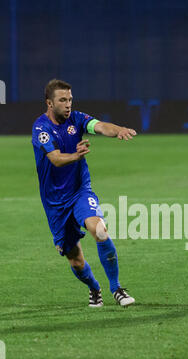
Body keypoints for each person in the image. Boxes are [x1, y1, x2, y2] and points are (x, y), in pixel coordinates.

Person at [32, 79, 136, 307]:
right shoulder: (41, 128)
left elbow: (99, 126)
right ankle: (94, 287)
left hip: (79, 191)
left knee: (98, 229)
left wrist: (117, 130)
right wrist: (76, 156)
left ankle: (116, 288)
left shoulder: (77, 119)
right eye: (62, 100)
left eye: (70, 99)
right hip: (55, 204)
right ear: (50, 103)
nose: (68, 104)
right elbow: (55, 159)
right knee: (75, 260)